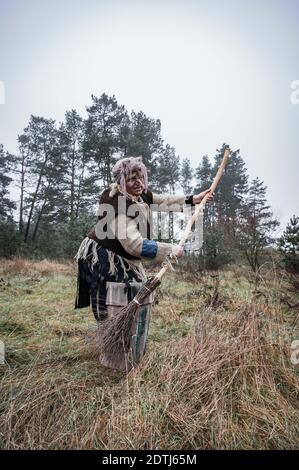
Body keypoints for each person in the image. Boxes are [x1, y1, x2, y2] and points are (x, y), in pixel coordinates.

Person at [75, 156, 213, 370]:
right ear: (121, 181)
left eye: (141, 177)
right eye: (132, 179)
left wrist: (193, 199)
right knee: (108, 296)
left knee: (133, 290)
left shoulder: (140, 194)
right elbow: (135, 246)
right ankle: (110, 347)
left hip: (123, 254)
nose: (138, 183)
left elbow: (163, 200)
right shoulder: (116, 204)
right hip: (103, 255)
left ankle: (128, 344)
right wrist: (170, 250)